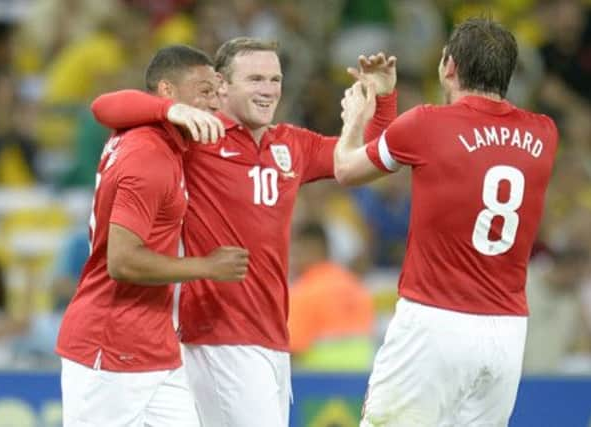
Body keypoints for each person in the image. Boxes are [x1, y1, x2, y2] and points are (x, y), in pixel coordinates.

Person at [90, 37, 397, 427]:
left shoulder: (291, 144)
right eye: (254, 78)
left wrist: (383, 99)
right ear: (222, 86)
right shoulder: (197, 135)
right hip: (216, 335)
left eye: (274, 78)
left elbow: (368, 158)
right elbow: (106, 108)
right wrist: (173, 109)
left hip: (271, 336)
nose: (268, 89)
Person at [334, 18, 559, 426]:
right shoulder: (544, 134)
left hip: (434, 321)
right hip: (506, 332)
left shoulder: (427, 123)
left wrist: (361, 113)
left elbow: (349, 170)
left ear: (449, 66)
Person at [55, 45, 249, 427]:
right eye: (203, 91)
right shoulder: (149, 156)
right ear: (168, 92)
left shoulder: (154, 138)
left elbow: (107, 106)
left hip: (154, 345)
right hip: (110, 345)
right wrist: (207, 266)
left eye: (216, 92)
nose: (213, 103)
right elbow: (123, 262)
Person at [288, 220, 375, 371]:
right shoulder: (354, 284)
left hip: (319, 379)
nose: (293, 259)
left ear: (314, 250)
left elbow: (294, 348)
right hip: (363, 374)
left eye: (297, 252)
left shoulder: (304, 291)